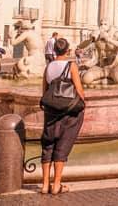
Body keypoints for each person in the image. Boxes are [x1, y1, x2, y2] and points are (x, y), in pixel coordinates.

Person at [40, 38, 85, 195]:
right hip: (67, 111)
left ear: (54, 51)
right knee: (62, 145)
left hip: (50, 111)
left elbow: (44, 90)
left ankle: (45, 185)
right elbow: (79, 90)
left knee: (48, 145)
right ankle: (57, 184)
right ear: (68, 50)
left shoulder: (48, 67)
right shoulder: (71, 65)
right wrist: (82, 103)